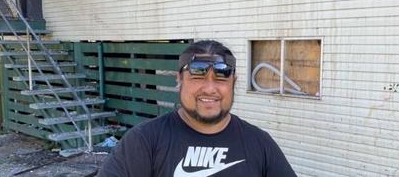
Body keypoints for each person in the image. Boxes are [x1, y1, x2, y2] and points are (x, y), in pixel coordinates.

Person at [98, 40, 297, 177]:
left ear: (233, 82)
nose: (210, 88)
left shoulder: (260, 144)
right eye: (197, 75)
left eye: (221, 77)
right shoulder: (144, 141)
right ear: (179, 80)